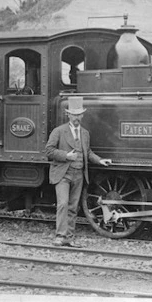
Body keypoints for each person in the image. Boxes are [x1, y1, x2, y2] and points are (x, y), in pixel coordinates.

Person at [45, 97, 111, 247]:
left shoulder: (85, 133)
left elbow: (87, 153)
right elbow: (49, 151)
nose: (76, 118)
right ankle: (60, 236)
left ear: (82, 116)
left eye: (79, 115)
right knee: (62, 204)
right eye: (73, 115)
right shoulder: (59, 131)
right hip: (63, 173)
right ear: (68, 115)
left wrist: (100, 160)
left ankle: (69, 237)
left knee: (73, 207)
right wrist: (66, 156)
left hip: (79, 174)